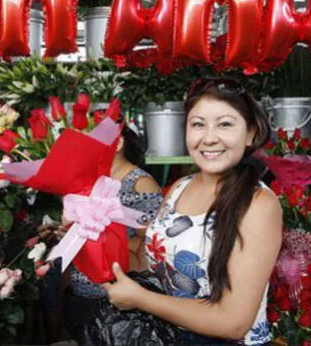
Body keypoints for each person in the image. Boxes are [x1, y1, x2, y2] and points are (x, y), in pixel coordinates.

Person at [102, 77, 283, 345]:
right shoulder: (179, 188)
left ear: (251, 133)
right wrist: (88, 231)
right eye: (198, 125)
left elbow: (234, 322)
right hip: (170, 336)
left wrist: (140, 299)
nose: (209, 138)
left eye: (225, 124)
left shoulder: (258, 204)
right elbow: (146, 261)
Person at [38, 115, 163, 343]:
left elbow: (152, 244)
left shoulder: (141, 183)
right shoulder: (91, 180)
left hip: (118, 291)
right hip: (82, 289)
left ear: (117, 143)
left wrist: (105, 241)